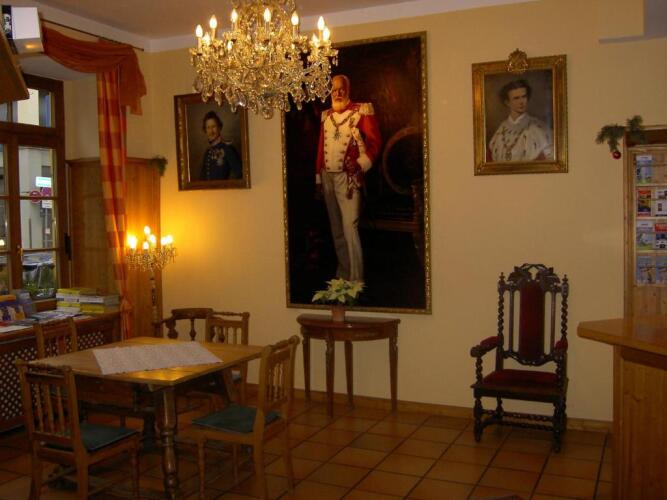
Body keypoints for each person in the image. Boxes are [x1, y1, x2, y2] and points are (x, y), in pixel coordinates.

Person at [315, 74, 381, 281]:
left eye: (341, 89)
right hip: (327, 177)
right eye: (334, 89)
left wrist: (360, 164)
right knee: (336, 229)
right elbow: (320, 149)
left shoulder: (362, 111)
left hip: (348, 179)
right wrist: (318, 179)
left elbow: (375, 143)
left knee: (350, 228)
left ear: (348, 90)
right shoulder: (326, 116)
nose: (338, 93)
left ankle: (356, 278)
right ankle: (343, 274)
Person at [488, 79, 553, 162]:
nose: (521, 102)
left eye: (524, 97)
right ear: (507, 102)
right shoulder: (502, 129)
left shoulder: (538, 127)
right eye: (516, 98)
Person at [199, 111, 242, 180]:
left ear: (219, 128)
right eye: (208, 128)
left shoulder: (228, 149)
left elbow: (239, 174)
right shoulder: (207, 153)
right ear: (205, 130)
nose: (211, 131)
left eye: (213, 127)